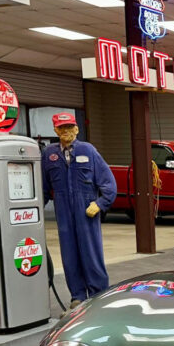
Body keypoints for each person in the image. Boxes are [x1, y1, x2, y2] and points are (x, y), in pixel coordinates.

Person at [40, 113, 116, 305]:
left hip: (86, 211)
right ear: (55, 130)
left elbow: (109, 183)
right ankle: (78, 297)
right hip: (63, 211)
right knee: (69, 255)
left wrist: (99, 204)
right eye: (61, 127)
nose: (66, 131)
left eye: (69, 126)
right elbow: (42, 188)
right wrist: (33, 212)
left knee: (91, 253)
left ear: (77, 128)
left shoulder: (88, 151)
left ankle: (99, 296)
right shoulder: (49, 155)